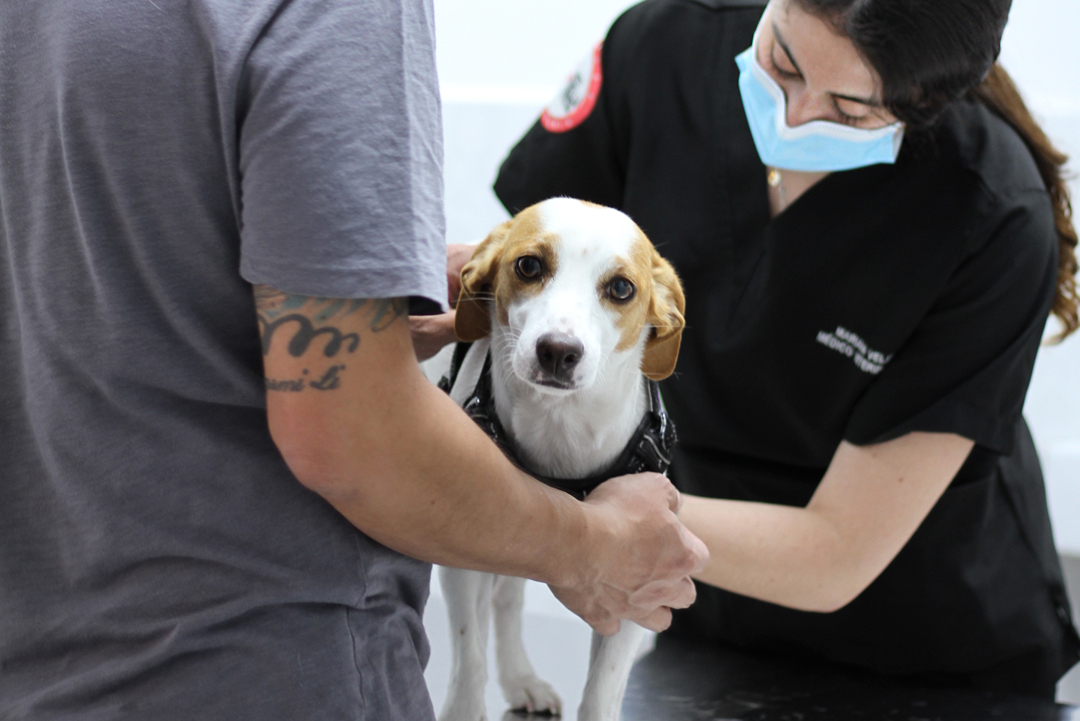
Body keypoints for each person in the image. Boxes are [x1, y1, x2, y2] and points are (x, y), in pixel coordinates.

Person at [0, 1, 707, 719]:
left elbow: (121, 289)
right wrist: (590, 545)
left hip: (42, 648)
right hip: (265, 664)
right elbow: (350, 438)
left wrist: (360, 291)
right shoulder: (346, 12)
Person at [466, 0, 1080, 700]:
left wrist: (578, 516)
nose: (791, 115)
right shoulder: (664, 49)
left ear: (925, 101)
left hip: (927, 654)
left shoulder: (990, 214)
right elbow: (539, 262)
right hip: (699, 603)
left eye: (847, 110)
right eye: (781, 62)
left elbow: (837, 551)